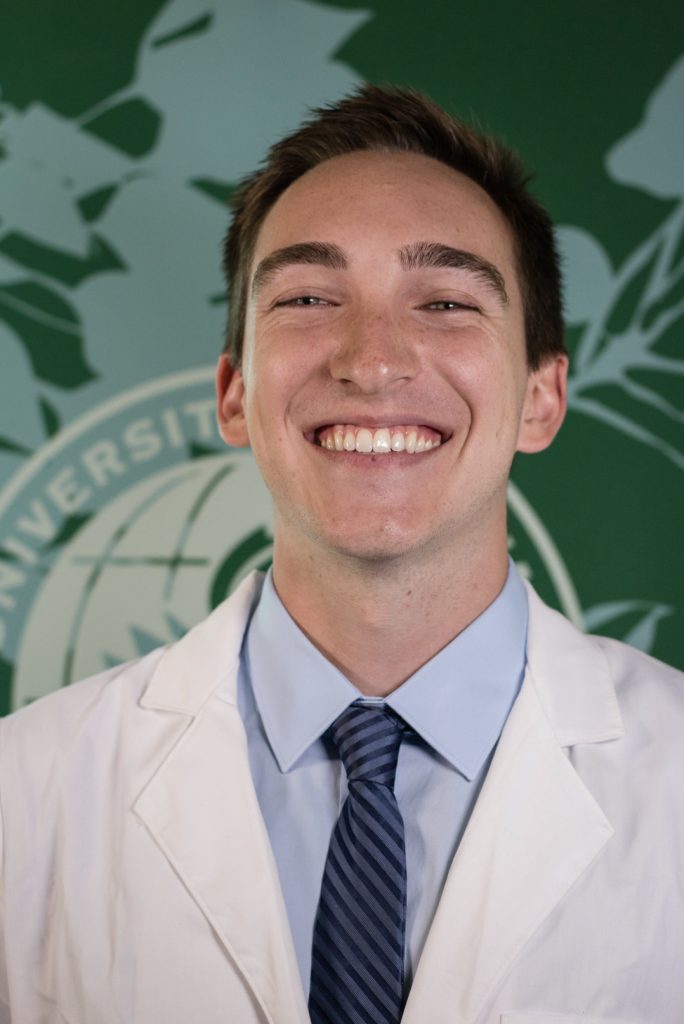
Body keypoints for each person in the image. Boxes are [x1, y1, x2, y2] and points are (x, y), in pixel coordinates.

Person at [0, 86, 682, 1024]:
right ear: (234, 394)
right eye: (309, 298)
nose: (372, 359)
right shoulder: (23, 795)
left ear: (541, 399)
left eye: (446, 301)